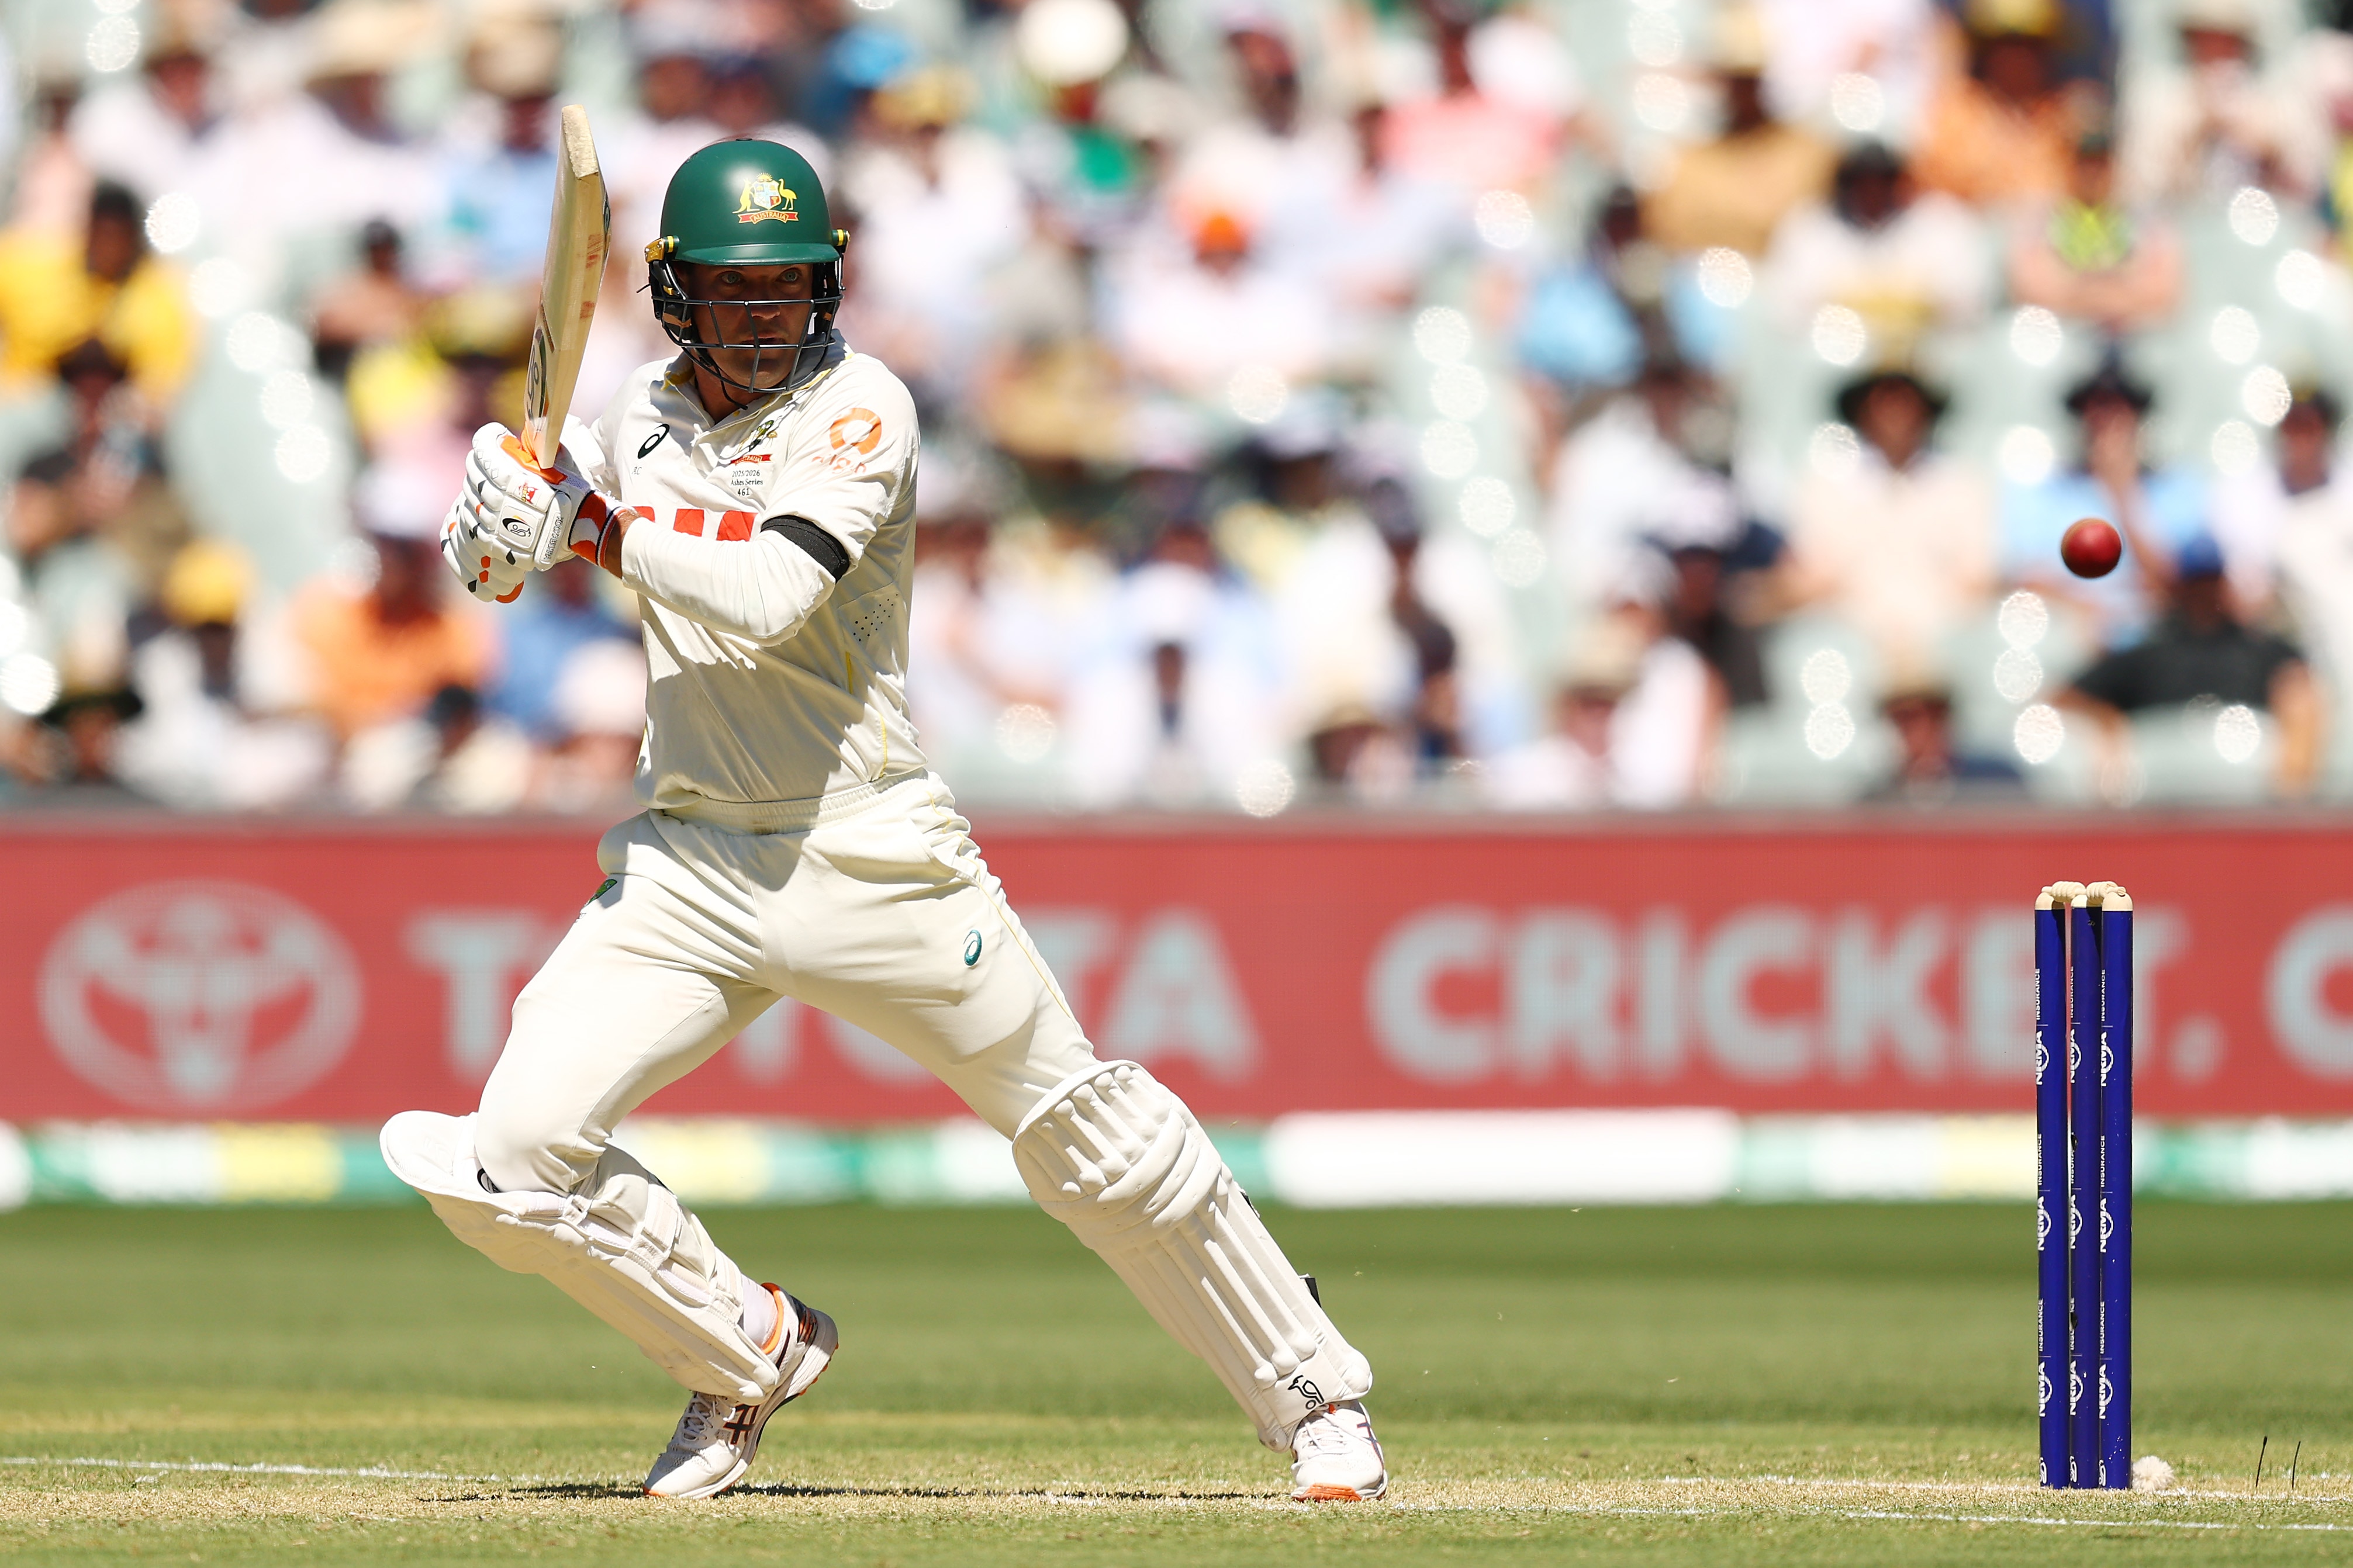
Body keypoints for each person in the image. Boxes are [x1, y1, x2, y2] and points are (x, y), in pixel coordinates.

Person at [383, 140, 1384, 1504]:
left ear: (830, 287)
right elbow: (504, 572)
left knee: (1093, 1137)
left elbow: (768, 596)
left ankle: (1314, 1394)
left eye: (790, 288)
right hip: (690, 858)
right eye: (736, 295)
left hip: (873, 849)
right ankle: (746, 1348)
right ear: (676, 297)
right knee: (507, 1157)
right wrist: (500, 526)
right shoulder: (629, 415)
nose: (765, 321)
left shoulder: (866, 408)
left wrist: (593, 530)